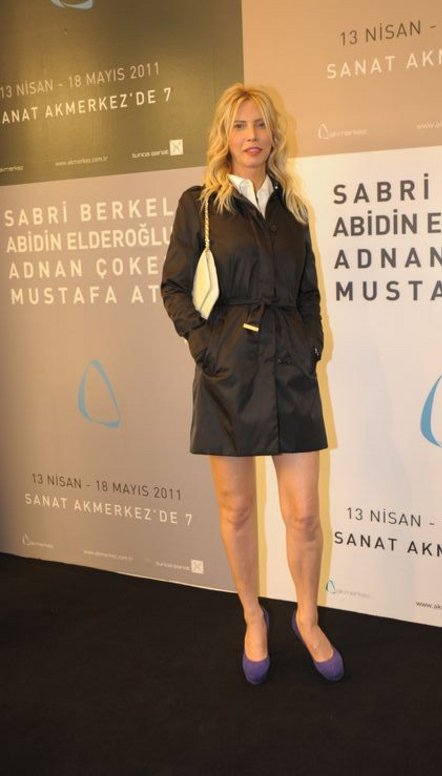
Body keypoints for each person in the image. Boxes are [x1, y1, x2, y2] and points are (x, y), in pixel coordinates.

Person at [161, 84, 343, 684]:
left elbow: (309, 292)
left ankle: (307, 618)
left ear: (273, 134)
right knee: (237, 510)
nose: (251, 136)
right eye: (240, 125)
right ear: (225, 135)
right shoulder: (200, 204)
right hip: (230, 370)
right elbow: (174, 287)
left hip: (290, 367)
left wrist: (310, 344)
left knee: (304, 514)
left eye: (260, 124)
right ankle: (252, 616)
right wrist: (206, 345)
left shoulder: (294, 208)